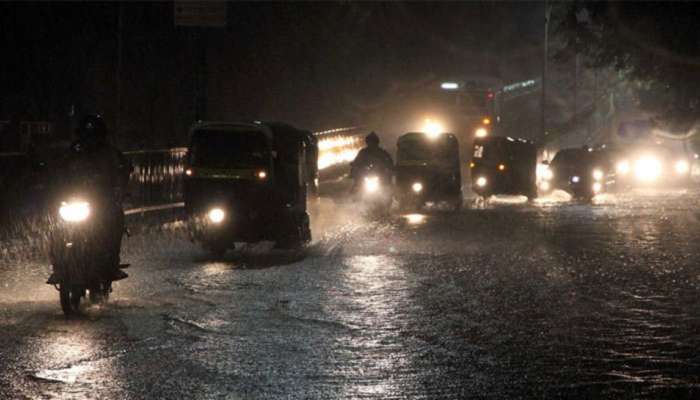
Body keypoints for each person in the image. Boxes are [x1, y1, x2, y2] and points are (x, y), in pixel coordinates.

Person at [65, 115, 131, 280]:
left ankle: (112, 263)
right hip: (76, 199)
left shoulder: (110, 153)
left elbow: (124, 168)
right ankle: (59, 261)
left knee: (115, 223)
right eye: (86, 134)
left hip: (103, 200)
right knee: (58, 226)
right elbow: (59, 170)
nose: (90, 138)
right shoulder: (74, 151)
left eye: (93, 134)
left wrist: (119, 188)